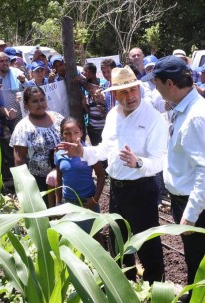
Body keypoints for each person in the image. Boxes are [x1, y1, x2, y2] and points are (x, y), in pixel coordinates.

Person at [58, 65, 168, 283]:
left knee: (147, 244)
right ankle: (124, 287)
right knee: (119, 242)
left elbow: (161, 160)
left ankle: (156, 291)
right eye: (123, 92)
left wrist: (138, 163)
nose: (129, 96)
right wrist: (82, 151)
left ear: (139, 88)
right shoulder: (112, 116)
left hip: (141, 189)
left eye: (132, 90)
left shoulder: (153, 118)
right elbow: (104, 150)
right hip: (116, 189)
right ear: (115, 95)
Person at [142, 55, 205, 303]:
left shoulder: (196, 116)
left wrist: (189, 216)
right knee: (195, 260)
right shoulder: (182, 109)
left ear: (169, 83)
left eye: (156, 83)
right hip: (186, 200)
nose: (154, 88)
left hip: (196, 204)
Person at [10, 86, 64, 196]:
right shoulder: (23, 128)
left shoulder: (58, 118)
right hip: (40, 182)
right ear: (26, 105)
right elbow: (19, 160)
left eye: (42, 99)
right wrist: (25, 189)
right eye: (35, 101)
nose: (40, 104)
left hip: (66, 175)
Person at [55, 117, 106, 232]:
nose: (72, 137)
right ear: (62, 135)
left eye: (76, 132)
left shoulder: (88, 152)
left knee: (94, 233)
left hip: (87, 201)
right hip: (68, 201)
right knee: (74, 234)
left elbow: (101, 176)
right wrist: (58, 202)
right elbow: (58, 179)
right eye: (67, 133)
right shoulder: (59, 154)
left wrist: (95, 199)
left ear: (82, 132)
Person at [81, 62, 108, 146]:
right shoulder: (84, 86)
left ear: (88, 72)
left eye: (83, 72)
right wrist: (84, 105)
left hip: (106, 126)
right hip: (93, 128)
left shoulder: (104, 84)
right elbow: (88, 110)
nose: (82, 74)